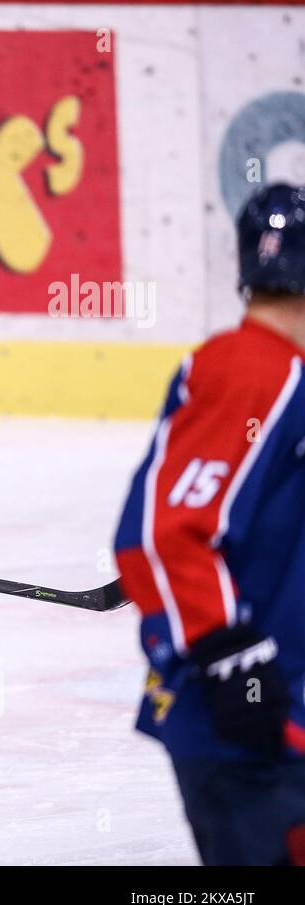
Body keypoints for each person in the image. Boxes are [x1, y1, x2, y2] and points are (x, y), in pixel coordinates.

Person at [113, 182, 305, 865]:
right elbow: (166, 532)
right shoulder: (252, 371)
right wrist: (228, 655)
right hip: (251, 723)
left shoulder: (283, 372)